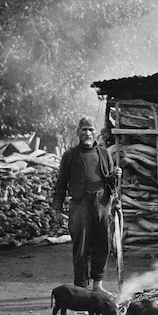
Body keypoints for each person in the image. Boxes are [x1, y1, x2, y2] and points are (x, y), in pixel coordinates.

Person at [53, 116, 121, 292]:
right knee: (80, 245)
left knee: (102, 244)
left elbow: (110, 183)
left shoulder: (104, 153)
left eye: (91, 129)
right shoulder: (70, 155)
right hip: (80, 203)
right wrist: (58, 209)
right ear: (78, 132)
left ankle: (98, 285)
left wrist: (116, 176)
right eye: (84, 129)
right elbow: (61, 183)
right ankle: (81, 287)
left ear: (95, 132)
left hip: (102, 203)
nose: (88, 133)